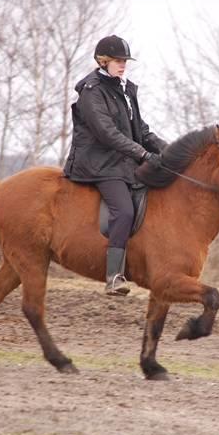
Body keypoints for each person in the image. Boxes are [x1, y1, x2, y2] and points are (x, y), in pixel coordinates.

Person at [63, 35, 168, 296]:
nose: (123, 65)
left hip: (124, 160)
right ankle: (114, 276)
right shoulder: (91, 91)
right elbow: (107, 133)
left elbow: (140, 130)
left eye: (125, 61)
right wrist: (143, 155)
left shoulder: (126, 88)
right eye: (118, 61)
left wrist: (171, 152)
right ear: (103, 61)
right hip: (99, 163)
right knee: (124, 211)